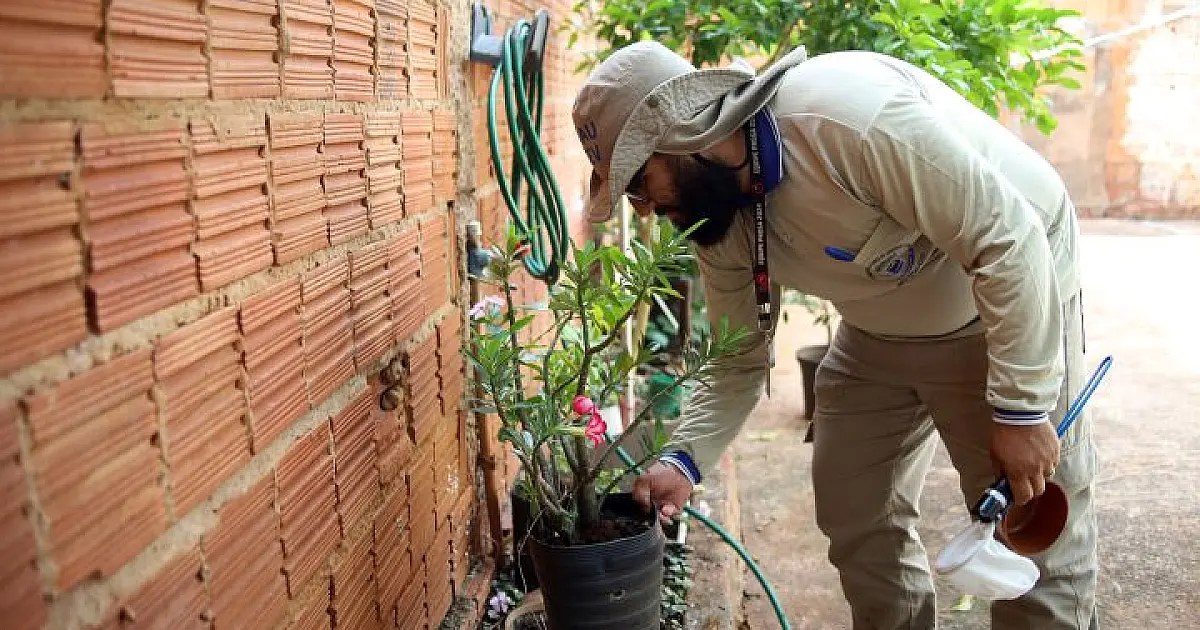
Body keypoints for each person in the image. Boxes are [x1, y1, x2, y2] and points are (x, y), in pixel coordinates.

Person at [571, 41, 1098, 629]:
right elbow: (736, 356)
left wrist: (1022, 409)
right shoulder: (715, 216)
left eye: (639, 183)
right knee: (856, 509)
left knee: (1031, 530)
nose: (643, 209)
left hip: (1000, 299)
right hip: (876, 325)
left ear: (683, 135)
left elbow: (1007, 239)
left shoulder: (848, 121)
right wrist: (684, 460)